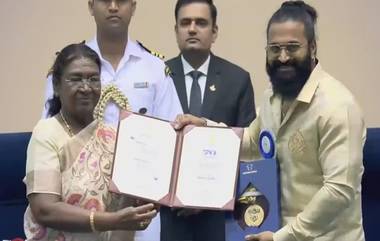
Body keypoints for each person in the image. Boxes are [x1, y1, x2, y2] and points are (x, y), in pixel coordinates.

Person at [174, 1, 366, 241]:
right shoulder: (273, 98)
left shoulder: (338, 106)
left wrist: (282, 236)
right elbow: (252, 141)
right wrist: (205, 126)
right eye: (275, 49)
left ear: (313, 47)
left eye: (292, 47)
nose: (283, 57)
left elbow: (338, 192)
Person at [42, 1, 183, 240]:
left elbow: (174, 138)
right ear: (91, 6)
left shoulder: (155, 68)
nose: (114, 7)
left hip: (140, 210)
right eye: (106, 0)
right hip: (78, 210)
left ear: (134, 6)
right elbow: (52, 136)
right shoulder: (69, 66)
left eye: (122, 1)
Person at [24, 43, 157, 241]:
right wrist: (110, 220)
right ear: (57, 86)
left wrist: (145, 204)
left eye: (93, 79)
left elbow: (126, 207)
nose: (86, 87)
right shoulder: (46, 133)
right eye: (76, 79)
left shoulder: (114, 137)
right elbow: (45, 209)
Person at [161, 1, 256, 241]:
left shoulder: (238, 80)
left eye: (201, 23)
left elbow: (248, 153)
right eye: (185, 23)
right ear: (176, 31)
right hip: (166, 218)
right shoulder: (158, 75)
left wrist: (207, 197)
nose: (192, 29)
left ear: (214, 32)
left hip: (219, 221)